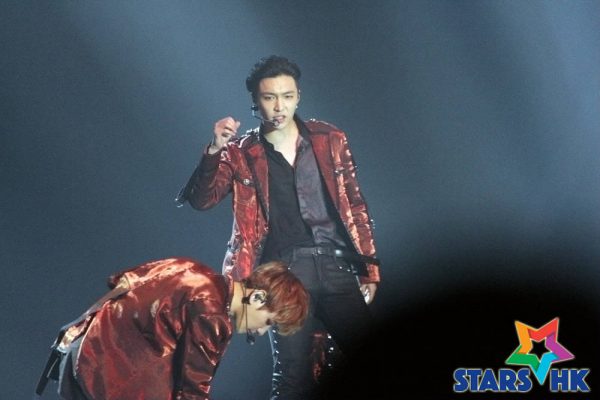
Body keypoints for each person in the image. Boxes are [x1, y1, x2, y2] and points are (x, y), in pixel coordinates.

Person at [177, 55, 381, 399]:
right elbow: (202, 199)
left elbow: (355, 204)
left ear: (298, 96)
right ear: (255, 103)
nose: (279, 106)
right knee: (292, 377)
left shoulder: (329, 138)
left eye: (287, 96)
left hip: (335, 267)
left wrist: (369, 269)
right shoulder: (241, 152)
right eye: (269, 97)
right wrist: (214, 150)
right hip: (284, 276)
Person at [35, 257, 308, 400]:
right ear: (257, 298)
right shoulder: (213, 314)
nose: (261, 332)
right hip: (104, 381)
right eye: (269, 322)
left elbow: (124, 281)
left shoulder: (192, 269)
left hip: (81, 351)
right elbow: (192, 391)